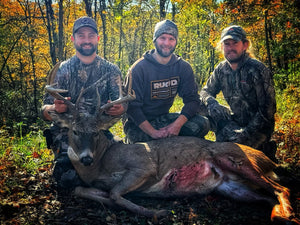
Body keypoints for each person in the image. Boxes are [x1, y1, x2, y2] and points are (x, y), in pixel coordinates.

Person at [41, 16, 126, 190]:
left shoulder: (111, 70)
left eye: (90, 35)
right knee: (66, 177)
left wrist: (119, 108)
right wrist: (54, 108)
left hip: (96, 133)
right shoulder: (63, 70)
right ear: (73, 39)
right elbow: (43, 111)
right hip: (68, 132)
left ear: (97, 39)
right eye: (81, 35)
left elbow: (121, 104)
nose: (86, 40)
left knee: (121, 167)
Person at [123, 19, 210, 144]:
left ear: (176, 42)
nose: (166, 43)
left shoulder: (183, 67)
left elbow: (192, 100)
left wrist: (176, 125)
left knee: (202, 124)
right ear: (155, 40)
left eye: (171, 39)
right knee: (140, 140)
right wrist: (153, 132)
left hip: (163, 119)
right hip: (139, 125)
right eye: (162, 38)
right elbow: (132, 108)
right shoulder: (138, 68)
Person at [199, 25, 277, 160]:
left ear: (245, 45)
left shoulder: (257, 69)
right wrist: (212, 103)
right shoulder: (221, 69)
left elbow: (268, 110)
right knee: (200, 108)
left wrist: (246, 133)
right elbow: (205, 91)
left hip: (257, 128)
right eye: (227, 44)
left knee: (237, 159)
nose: (231, 47)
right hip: (235, 122)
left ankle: (263, 150)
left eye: (235, 43)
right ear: (222, 47)